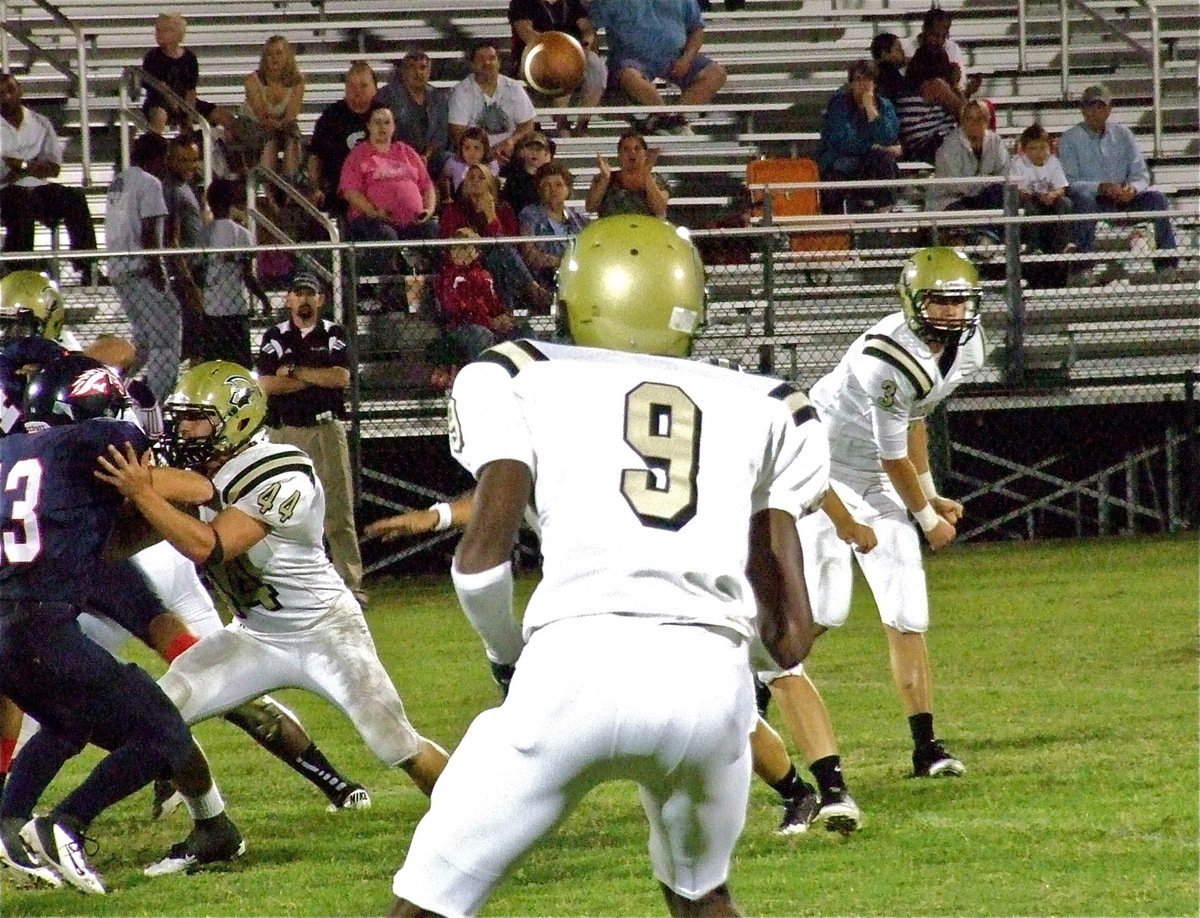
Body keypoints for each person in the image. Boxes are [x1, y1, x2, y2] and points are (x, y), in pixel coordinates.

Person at [387, 214, 828, 916]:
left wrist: (507, 657)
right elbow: (792, 634)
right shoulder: (769, 404)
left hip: (573, 667)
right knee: (701, 898)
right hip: (707, 686)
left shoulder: (518, 372)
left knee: (428, 901)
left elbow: (480, 561)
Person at [96, 360, 450, 804]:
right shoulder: (204, 469)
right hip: (254, 634)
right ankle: (210, 827)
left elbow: (212, 546)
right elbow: (135, 529)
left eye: (195, 419)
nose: (183, 430)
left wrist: (144, 491)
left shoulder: (283, 469)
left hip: (324, 632)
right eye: (180, 417)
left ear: (237, 420)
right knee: (162, 711)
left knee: (395, 744)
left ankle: (476, 813)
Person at [0, 355, 243, 892]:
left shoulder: (9, 451)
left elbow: (92, 540)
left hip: (7, 628)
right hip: (45, 625)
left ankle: (7, 824)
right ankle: (65, 825)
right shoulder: (90, 442)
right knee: (166, 736)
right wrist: (152, 487)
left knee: (67, 726)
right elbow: (197, 490)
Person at [798, 246, 985, 780]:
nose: (951, 312)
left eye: (958, 300)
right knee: (823, 609)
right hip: (824, 473)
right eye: (939, 301)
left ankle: (926, 746)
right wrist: (927, 518)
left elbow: (915, 422)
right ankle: (765, 685)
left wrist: (929, 494)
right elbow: (891, 450)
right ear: (912, 301)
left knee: (908, 612)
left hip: (880, 479)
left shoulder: (967, 344)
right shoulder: (887, 356)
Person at [255, 272, 365, 603]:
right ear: (288, 300)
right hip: (285, 429)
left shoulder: (334, 333)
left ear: (320, 300)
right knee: (281, 508)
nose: (303, 299)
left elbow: (341, 377)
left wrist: (297, 372)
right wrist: (317, 377)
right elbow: (267, 384)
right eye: (297, 293)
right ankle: (285, 586)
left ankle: (350, 585)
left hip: (325, 429)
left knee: (337, 508)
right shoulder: (274, 335)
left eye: (310, 294)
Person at [1058, 84, 1178, 271]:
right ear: (1082, 110)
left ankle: (1168, 266)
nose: (1096, 112)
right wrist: (1100, 187)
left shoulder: (1124, 135)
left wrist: (1133, 188)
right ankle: (1083, 269)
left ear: (1109, 109)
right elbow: (1069, 182)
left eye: (1101, 106)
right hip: (1095, 200)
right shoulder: (1069, 139)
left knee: (1157, 200)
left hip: (1124, 197)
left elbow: (1141, 173)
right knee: (1083, 200)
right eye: (1091, 106)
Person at [0, 73, 100, 284]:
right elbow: (5, 172)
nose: (6, 97)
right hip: (6, 191)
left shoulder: (40, 123)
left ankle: (88, 267)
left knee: (74, 197)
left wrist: (21, 165)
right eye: (1, 94)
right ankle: (19, 270)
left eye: (10, 91)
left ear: (20, 91)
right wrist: (33, 164)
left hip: (39, 188)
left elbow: (53, 168)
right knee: (20, 201)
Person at [105, 131, 181, 404]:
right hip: (141, 269)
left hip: (118, 269)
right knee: (166, 341)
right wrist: (158, 272)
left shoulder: (119, 180)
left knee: (144, 342)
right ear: (156, 158)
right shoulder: (150, 183)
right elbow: (149, 231)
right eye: (165, 158)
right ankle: (157, 404)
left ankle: (115, 391)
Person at [587, 0, 727, 136]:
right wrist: (594, 58)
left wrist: (687, 58)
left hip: (674, 56)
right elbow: (590, 26)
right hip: (630, 59)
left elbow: (697, 29)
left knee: (716, 73)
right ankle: (667, 119)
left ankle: (676, 119)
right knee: (630, 76)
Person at [339, 104, 438, 278]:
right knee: (386, 236)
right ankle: (384, 291)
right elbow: (350, 192)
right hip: (373, 221)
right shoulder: (359, 155)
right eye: (377, 122)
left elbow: (427, 186)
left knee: (433, 230)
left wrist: (428, 211)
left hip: (412, 222)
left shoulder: (406, 152)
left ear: (393, 127)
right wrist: (374, 212)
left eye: (386, 122)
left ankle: (434, 287)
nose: (382, 127)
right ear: (368, 126)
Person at [439, 163, 553, 314]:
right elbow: (451, 241)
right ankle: (531, 288)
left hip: (497, 261)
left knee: (499, 257)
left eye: (481, 178)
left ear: (490, 184)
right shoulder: (453, 211)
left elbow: (510, 244)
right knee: (500, 252)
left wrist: (491, 216)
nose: (475, 181)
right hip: (465, 261)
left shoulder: (504, 211)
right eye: (471, 177)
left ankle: (506, 313)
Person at [507, 0, 606, 137]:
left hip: (570, 54)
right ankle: (562, 122)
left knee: (595, 65)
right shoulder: (522, 3)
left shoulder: (572, 3)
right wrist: (556, 46)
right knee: (561, 63)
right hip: (534, 57)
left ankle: (582, 124)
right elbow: (525, 31)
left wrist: (585, 44)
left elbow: (586, 28)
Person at [817, 59, 902, 215]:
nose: (863, 84)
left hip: (868, 164)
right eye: (858, 79)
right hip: (840, 163)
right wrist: (873, 146)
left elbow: (888, 137)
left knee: (884, 161)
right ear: (851, 84)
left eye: (868, 79)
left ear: (874, 83)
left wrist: (871, 110)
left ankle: (885, 212)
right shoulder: (838, 105)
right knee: (878, 156)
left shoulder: (884, 106)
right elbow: (844, 140)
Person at [200, 178, 269, 367]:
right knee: (240, 366)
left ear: (209, 202)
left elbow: (197, 271)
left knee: (213, 367)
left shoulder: (202, 235)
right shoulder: (243, 235)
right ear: (232, 202)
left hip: (210, 311)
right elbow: (247, 275)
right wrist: (263, 298)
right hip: (235, 310)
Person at [927, 99, 1009, 243]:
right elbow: (959, 184)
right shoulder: (950, 145)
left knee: (999, 194)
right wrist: (987, 179)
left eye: (979, 118)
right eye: (969, 118)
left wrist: (985, 182)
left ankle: (989, 239)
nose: (974, 123)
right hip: (950, 198)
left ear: (987, 120)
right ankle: (981, 240)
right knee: (963, 212)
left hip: (982, 196)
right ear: (962, 120)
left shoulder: (995, 142)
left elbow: (1005, 174)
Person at [140, 13, 233, 136]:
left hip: (184, 100)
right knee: (159, 115)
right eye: (158, 30)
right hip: (159, 101)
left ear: (178, 34)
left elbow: (191, 90)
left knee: (224, 116)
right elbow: (160, 89)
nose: (159, 34)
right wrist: (178, 109)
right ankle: (157, 147)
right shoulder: (152, 57)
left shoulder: (189, 58)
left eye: (165, 30)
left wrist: (189, 112)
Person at [447, 40, 537, 167]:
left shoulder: (513, 88)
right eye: (481, 59)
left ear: (499, 63)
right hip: (476, 156)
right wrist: (487, 154)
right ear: (472, 64)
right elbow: (457, 133)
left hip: (510, 152)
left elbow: (528, 124)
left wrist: (511, 142)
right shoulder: (461, 92)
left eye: (492, 58)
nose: (487, 63)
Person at [307, 61, 377, 214]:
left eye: (363, 86)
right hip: (340, 192)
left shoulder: (384, 115)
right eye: (352, 86)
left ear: (374, 88)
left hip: (378, 188)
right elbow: (315, 157)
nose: (357, 91)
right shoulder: (331, 117)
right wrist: (315, 188)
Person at [1008, 123, 1073, 284]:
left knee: (1065, 203)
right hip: (1029, 200)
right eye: (1033, 148)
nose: (1038, 153)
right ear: (1024, 149)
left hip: (1049, 201)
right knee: (1030, 208)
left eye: (1042, 148)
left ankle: (1061, 246)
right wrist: (1035, 195)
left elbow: (1061, 188)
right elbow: (1017, 190)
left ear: (1049, 148)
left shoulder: (1053, 162)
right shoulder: (1018, 164)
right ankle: (1034, 246)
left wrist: (1052, 194)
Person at [233, 36, 305, 179]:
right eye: (270, 54)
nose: (274, 58)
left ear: (287, 56)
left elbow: (291, 115)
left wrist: (281, 125)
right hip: (252, 124)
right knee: (269, 138)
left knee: (292, 136)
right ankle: (268, 188)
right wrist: (276, 125)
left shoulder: (298, 81)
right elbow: (262, 115)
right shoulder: (252, 80)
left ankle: (290, 184)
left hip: (281, 125)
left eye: (279, 53)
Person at [375, 49, 451, 180]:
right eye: (412, 67)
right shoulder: (387, 95)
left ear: (429, 72)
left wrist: (426, 156)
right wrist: (410, 157)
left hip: (431, 159)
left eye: (423, 68)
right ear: (403, 72)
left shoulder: (439, 97)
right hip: (397, 158)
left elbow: (441, 135)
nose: (418, 72)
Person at [162, 134, 206, 361]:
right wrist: (188, 283)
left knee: (197, 340)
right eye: (184, 160)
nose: (191, 165)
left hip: (195, 270)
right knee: (189, 343)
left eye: (194, 160)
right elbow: (172, 239)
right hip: (184, 275)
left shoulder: (187, 187)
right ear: (170, 160)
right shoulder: (171, 190)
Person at [518, 160, 590, 290]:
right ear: (540, 189)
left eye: (558, 185)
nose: (553, 190)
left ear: (568, 189)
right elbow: (528, 252)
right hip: (545, 279)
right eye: (547, 185)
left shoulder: (579, 221)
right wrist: (560, 262)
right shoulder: (529, 214)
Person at [585, 130, 669, 218]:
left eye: (637, 149)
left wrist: (646, 174)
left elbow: (660, 210)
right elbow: (590, 207)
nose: (632, 152)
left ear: (645, 154)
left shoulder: (657, 179)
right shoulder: (604, 178)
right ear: (619, 155)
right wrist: (605, 180)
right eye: (626, 149)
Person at [439, 126, 500, 202]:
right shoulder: (454, 162)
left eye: (476, 148)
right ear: (461, 148)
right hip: (461, 202)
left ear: (485, 149)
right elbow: (444, 177)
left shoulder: (491, 165)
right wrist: (447, 196)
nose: (472, 153)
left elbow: (495, 187)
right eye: (467, 148)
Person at [499, 130, 553, 215]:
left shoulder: (549, 178)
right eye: (530, 148)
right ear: (522, 151)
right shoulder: (514, 178)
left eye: (538, 149)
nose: (534, 153)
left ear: (546, 153)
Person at [869, 33, 908, 104]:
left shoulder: (873, 74)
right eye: (898, 50)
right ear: (884, 54)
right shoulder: (891, 74)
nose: (903, 52)